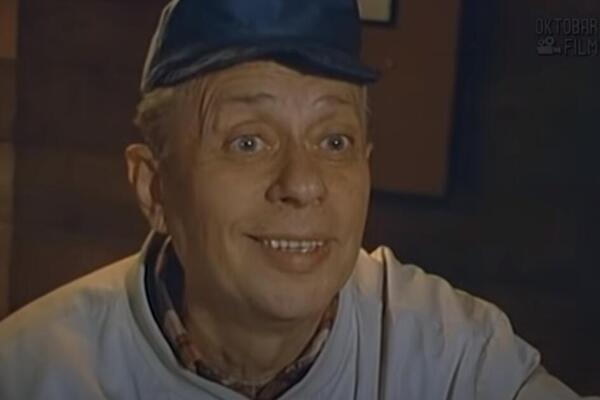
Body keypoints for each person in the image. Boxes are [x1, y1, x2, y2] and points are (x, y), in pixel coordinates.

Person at [0, 0, 597, 399]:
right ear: (155, 188)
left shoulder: (448, 355)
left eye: (334, 141)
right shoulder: (35, 371)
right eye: (248, 141)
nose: (303, 183)